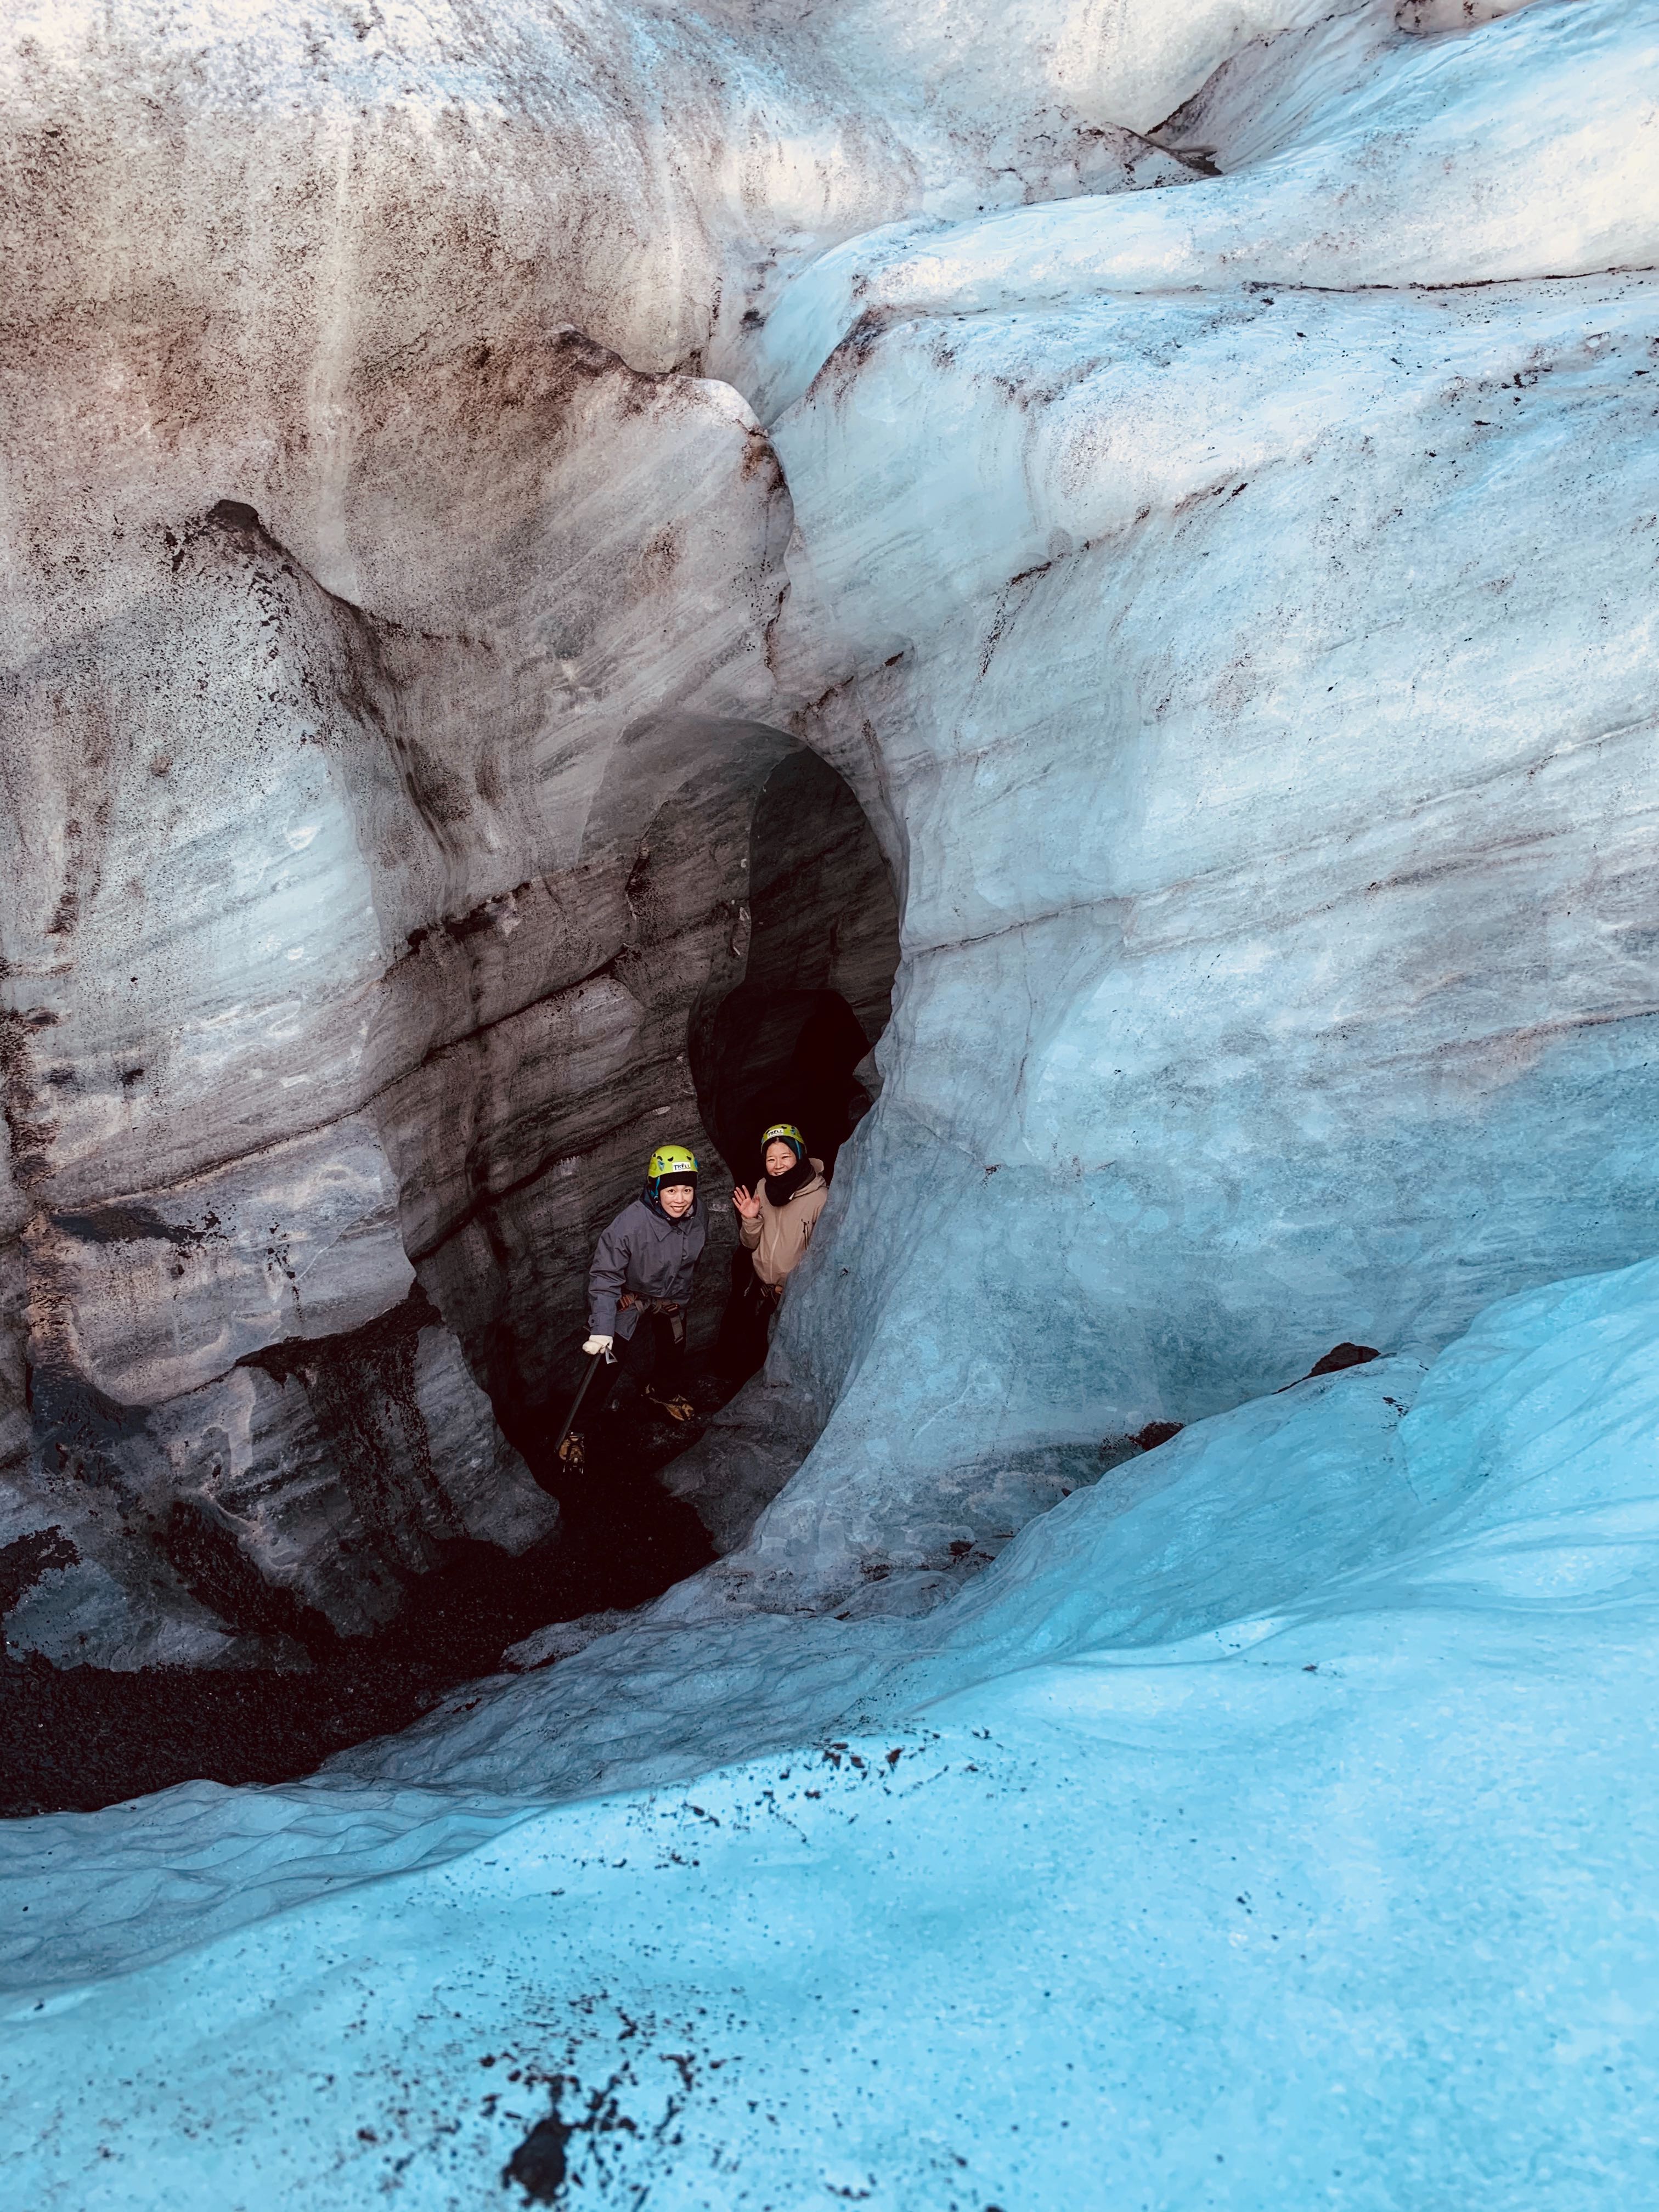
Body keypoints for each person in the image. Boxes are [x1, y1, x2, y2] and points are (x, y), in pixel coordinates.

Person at [580, 1142, 707, 1426]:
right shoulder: (629, 1225)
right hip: (630, 1297)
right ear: (655, 1189)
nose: (680, 1199)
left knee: (674, 1348)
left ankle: (662, 1392)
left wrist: (678, 1300)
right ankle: (579, 1428)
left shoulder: (699, 1215)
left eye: (687, 1190)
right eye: (671, 1190)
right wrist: (602, 1329)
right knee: (608, 1362)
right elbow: (604, 1276)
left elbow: (689, 1264)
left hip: (670, 1295)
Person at [732, 1122, 829, 1314]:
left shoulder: (821, 1198)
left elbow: (824, 1257)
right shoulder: (762, 1188)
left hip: (796, 1296)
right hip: (761, 1291)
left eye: (786, 1157)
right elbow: (749, 1244)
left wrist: (792, 1285)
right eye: (771, 1159)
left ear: (799, 1155)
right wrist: (750, 1219)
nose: (778, 1166)